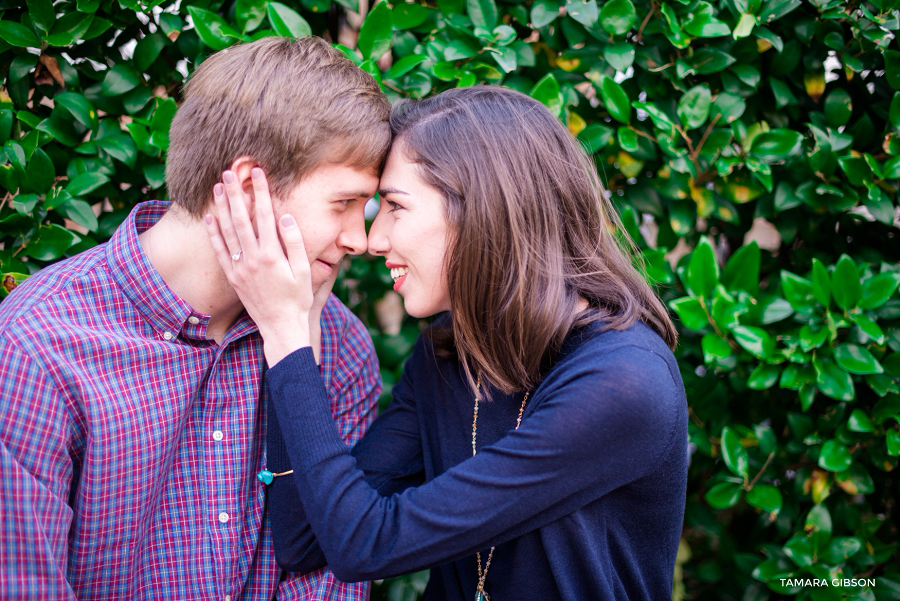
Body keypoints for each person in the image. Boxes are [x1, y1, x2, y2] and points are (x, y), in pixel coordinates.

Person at [206, 86, 688, 601]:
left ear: (479, 210)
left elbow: (363, 544)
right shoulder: (447, 356)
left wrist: (283, 330)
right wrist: (302, 325)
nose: (373, 240)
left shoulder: (624, 384)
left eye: (394, 206)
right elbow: (306, 540)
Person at [0, 37, 391, 600]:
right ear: (251, 186)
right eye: (343, 204)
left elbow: (329, 575)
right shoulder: (40, 346)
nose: (360, 239)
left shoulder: (339, 346)